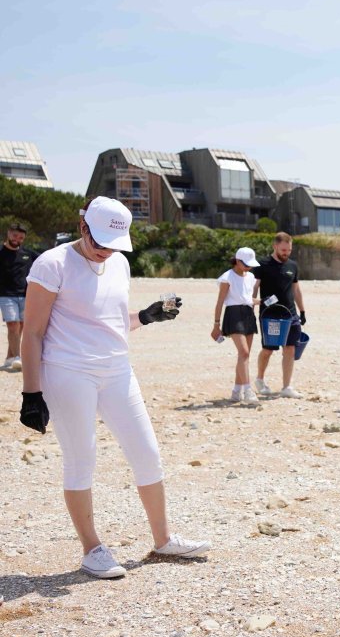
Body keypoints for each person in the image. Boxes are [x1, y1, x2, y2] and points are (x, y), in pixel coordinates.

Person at [18, 196, 210, 578]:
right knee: (81, 460)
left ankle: (163, 540)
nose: (106, 251)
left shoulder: (119, 262)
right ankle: (92, 550)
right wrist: (31, 393)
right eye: (100, 241)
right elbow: (33, 333)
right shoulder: (52, 264)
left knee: (147, 453)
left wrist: (146, 316)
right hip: (68, 371)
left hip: (118, 370)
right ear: (82, 226)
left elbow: (112, 321)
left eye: (114, 244)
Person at [252, 233, 306, 398]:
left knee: (290, 349)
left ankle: (286, 386)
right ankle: (260, 379)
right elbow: (254, 288)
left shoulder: (293, 266)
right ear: (275, 246)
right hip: (270, 316)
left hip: (290, 314)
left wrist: (302, 311)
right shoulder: (262, 264)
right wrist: (251, 306)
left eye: (289, 250)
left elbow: (296, 289)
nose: (286, 253)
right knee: (268, 350)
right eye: (283, 250)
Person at [211, 247, 260, 403]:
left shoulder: (250, 277)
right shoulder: (227, 277)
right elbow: (220, 302)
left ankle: (236, 391)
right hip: (233, 315)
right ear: (238, 261)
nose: (249, 267)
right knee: (244, 352)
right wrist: (216, 325)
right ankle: (248, 390)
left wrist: (260, 301)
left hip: (248, 314)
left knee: (244, 355)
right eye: (246, 264)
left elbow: (248, 298)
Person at [1, 221, 37, 371]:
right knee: (13, 325)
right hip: (5, 295)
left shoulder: (28, 254)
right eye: (15, 236)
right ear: (9, 233)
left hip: (25, 295)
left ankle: (10, 357)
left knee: (20, 327)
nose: (17, 239)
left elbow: (45, 261)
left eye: (21, 238)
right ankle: (17, 357)